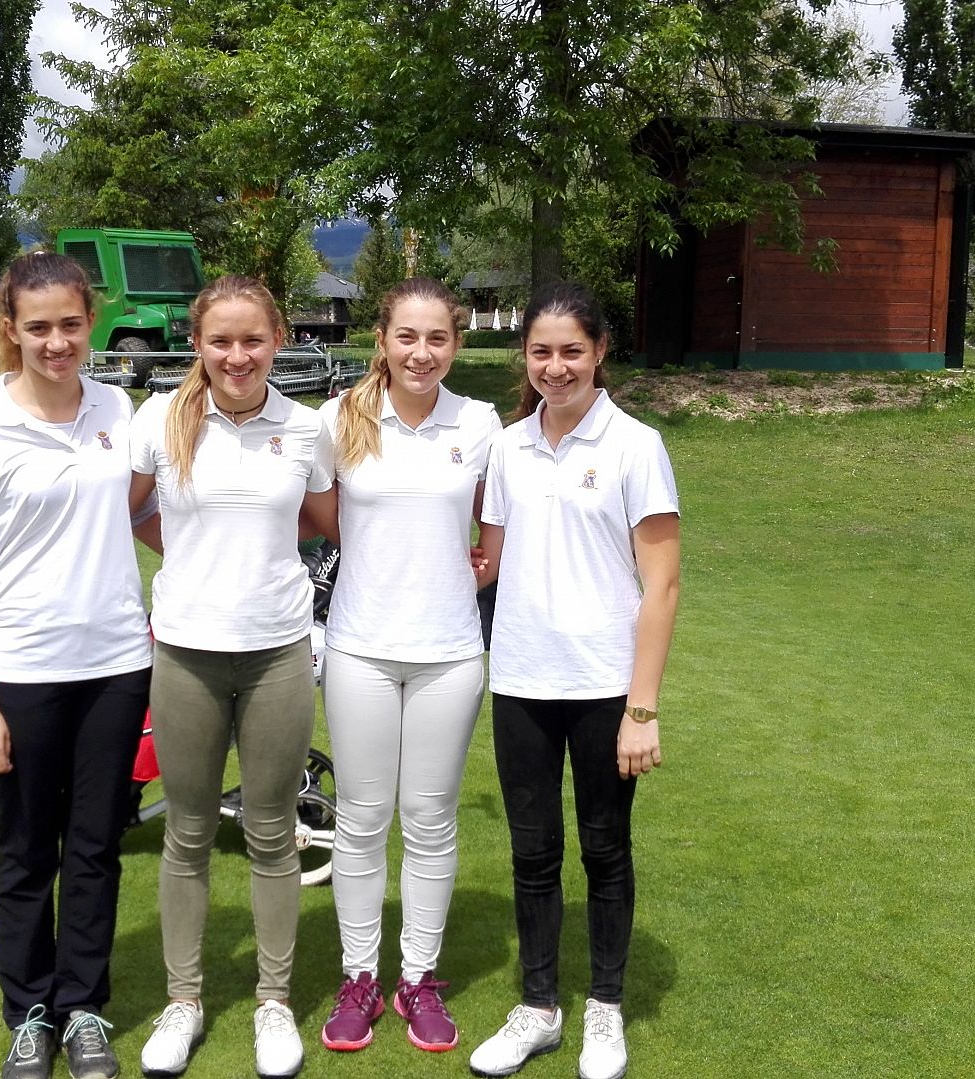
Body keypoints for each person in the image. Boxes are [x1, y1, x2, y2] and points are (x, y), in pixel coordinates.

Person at [0, 252, 154, 1079]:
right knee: (27, 847)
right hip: (22, 670)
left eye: (69, 324)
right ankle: (29, 1011)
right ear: (10, 330)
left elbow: (144, 515)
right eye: (38, 327)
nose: (56, 342)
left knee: (95, 844)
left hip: (118, 665)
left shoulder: (118, 406)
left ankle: (84, 1006)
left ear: (88, 320)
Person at [466, 282, 681, 1079]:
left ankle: (605, 1009)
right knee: (532, 850)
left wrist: (642, 707)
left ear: (600, 354)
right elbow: (487, 560)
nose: (556, 367)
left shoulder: (635, 445)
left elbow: (660, 584)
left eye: (571, 351)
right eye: (541, 351)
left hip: (602, 686)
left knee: (603, 846)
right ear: (526, 356)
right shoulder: (506, 445)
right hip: (520, 677)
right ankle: (538, 1006)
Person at [127, 275, 337, 1079]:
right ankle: (184, 1002)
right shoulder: (162, 418)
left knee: (271, 830)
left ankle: (274, 1002)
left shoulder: (307, 426)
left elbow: (328, 522)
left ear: (277, 340)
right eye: (221, 341)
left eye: (253, 340)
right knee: (185, 833)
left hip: (279, 650)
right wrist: (187, 561)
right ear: (198, 343)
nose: (237, 355)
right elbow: (130, 508)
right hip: (184, 649)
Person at [313, 278, 500, 1054]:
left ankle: (417, 977)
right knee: (361, 819)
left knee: (429, 818)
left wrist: (455, 575)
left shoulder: (482, 422)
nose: (421, 353)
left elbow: (493, 534)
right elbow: (323, 514)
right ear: (382, 340)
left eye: (437, 339)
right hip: (358, 647)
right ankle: (359, 977)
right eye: (406, 337)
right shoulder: (339, 417)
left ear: (455, 343)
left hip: (451, 654)